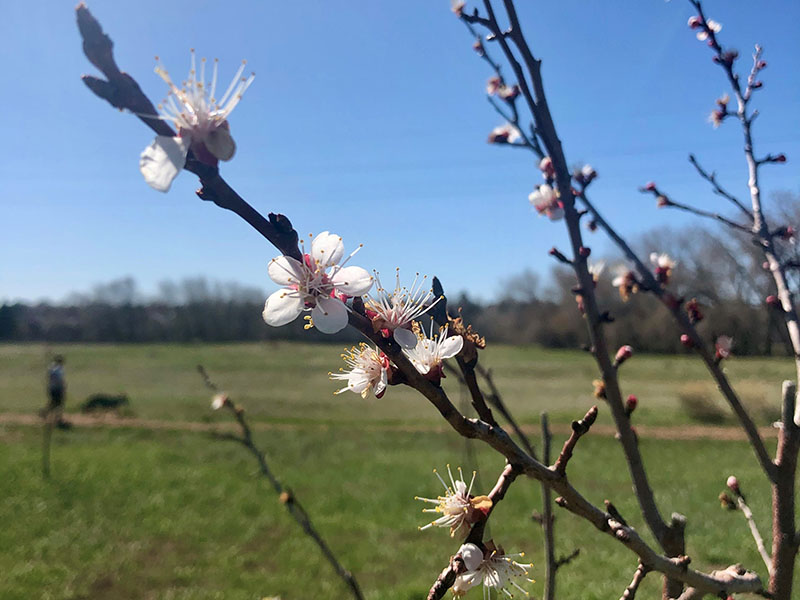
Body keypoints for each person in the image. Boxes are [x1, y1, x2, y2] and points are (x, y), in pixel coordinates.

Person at [45, 355, 70, 428]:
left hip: (51, 388)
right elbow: (60, 380)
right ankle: (58, 418)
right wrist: (63, 387)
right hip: (58, 388)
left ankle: (46, 413)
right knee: (60, 404)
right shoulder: (59, 370)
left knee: (53, 402)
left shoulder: (51, 368)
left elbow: (49, 378)